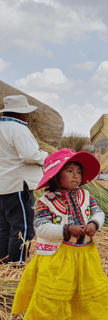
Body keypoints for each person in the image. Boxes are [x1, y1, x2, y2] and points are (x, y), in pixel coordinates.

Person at [11, 148, 108, 319]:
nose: (76, 175)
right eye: (69, 171)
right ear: (56, 175)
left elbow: (98, 212)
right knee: (54, 296)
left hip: (85, 255)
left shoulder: (85, 195)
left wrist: (94, 224)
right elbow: (41, 227)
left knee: (89, 292)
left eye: (79, 172)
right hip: (57, 257)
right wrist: (65, 230)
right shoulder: (45, 201)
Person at [0, 95, 48, 265]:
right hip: (17, 185)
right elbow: (29, 155)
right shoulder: (18, 129)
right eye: (27, 113)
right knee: (23, 227)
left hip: (2, 186)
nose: (28, 116)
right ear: (20, 114)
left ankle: (3, 260)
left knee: (4, 226)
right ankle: (16, 263)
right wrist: (47, 157)